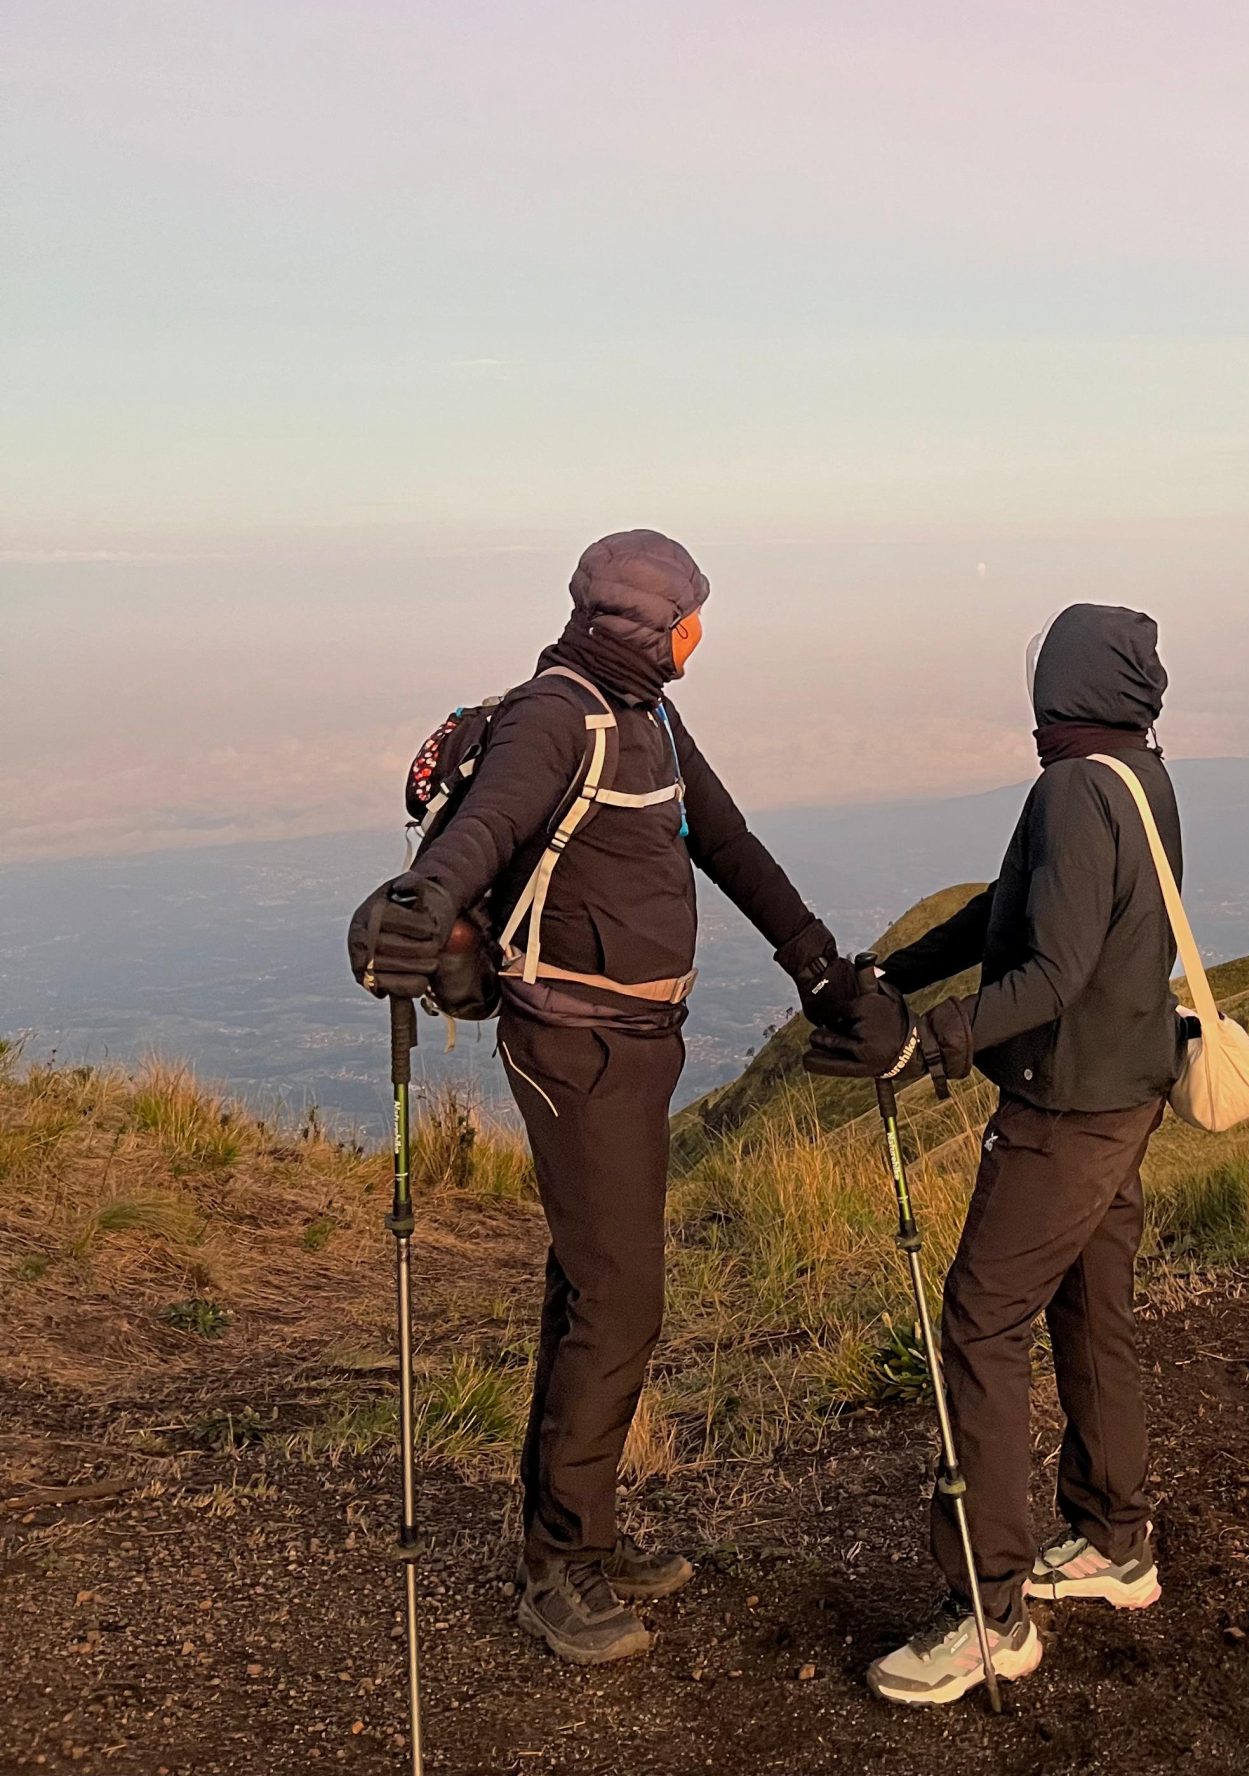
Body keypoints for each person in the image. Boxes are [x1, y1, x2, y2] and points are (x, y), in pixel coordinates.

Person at [348, 529, 855, 1666]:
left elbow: (729, 845)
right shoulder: (561, 714)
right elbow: (479, 834)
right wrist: (421, 903)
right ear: (643, 623)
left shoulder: (651, 718)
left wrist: (821, 969)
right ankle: (557, 1567)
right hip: (572, 1044)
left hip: (639, 1044)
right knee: (621, 1299)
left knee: (597, 1287)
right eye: (689, 614)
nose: (700, 633)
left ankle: (581, 1529)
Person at [806, 602, 1182, 1708]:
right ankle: (1115, 1539)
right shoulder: (1137, 777)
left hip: (1062, 1109)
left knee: (979, 1321)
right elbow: (1011, 912)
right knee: (1088, 1306)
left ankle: (987, 1611)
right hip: (1129, 1092)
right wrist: (901, 967)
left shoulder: (1070, 789)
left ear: (1067, 684)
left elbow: (1049, 972)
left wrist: (936, 1037)